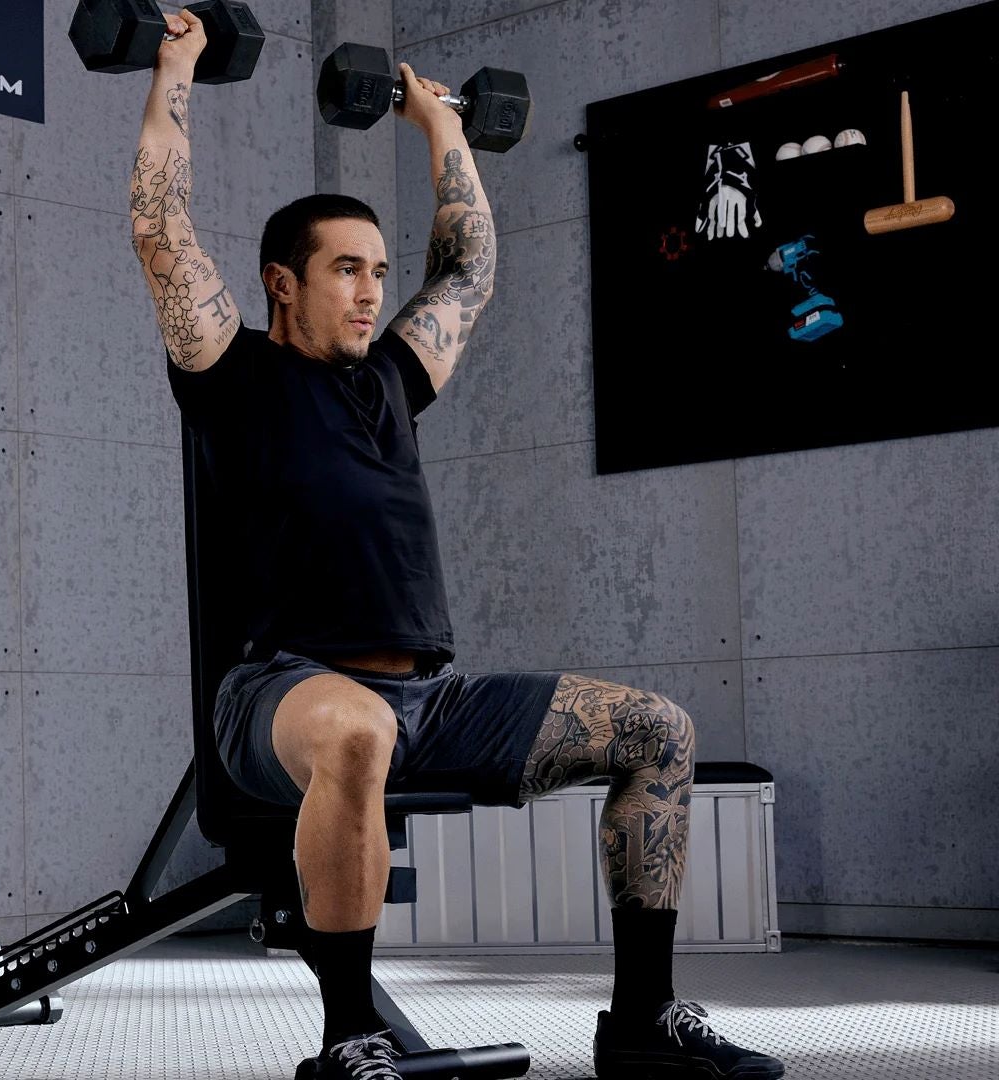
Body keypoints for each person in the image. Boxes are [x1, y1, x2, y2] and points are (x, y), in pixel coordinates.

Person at [131, 12, 786, 1080]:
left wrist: (442, 127)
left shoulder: (394, 379)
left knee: (658, 731)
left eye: (379, 271)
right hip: (285, 693)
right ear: (281, 284)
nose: (371, 290)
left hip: (430, 697)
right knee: (354, 738)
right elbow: (162, 231)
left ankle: (640, 1021)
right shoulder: (234, 376)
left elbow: (470, 269)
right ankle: (353, 1036)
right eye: (345, 270)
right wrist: (175, 66)